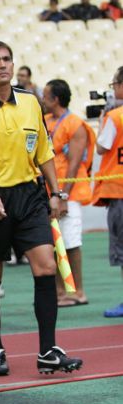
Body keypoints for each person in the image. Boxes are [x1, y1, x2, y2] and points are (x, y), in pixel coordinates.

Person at [0, 41, 83, 376]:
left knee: (46, 267)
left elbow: (44, 151)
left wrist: (57, 193)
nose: (3, 65)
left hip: (29, 196)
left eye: (7, 59)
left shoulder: (30, 102)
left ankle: (47, 351)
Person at [43, 79, 95, 307]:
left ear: (56, 99)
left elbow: (74, 163)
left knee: (71, 243)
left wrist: (62, 196)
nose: (42, 100)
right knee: (54, 243)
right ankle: (60, 292)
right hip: (48, 192)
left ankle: (78, 291)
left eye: (46, 96)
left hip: (68, 194)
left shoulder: (75, 124)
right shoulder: (45, 121)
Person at [93, 67, 123, 318]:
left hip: (119, 189)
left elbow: (101, 147)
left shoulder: (115, 117)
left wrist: (104, 117)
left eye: (114, 84)